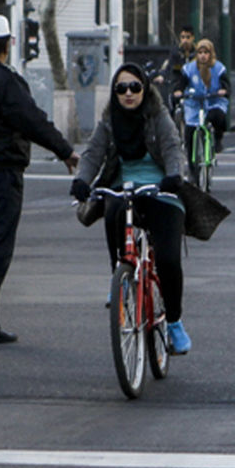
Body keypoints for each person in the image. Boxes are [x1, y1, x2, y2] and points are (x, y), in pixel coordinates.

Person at [0, 14, 79, 348]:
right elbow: (32, 120)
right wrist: (65, 151)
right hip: (4, 170)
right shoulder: (6, 81)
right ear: (9, 44)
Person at [70, 63, 193, 353]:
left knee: (168, 260)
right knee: (112, 210)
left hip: (161, 190)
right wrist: (81, 181)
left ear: (145, 89)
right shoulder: (109, 121)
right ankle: (120, 275)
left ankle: (174, 323)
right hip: (124, 189)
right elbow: (92, 155)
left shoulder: (158, 116)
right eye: (121, 88)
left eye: (135, 87)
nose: (128, 93)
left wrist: (174, 176)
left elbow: (173, 148)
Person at [173, 38, 230, 164]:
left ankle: (217, 139)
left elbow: (226, 84)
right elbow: (181, 83)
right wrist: (178, 91)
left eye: (206, 53)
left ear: (211, 54)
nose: (203, 56)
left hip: (213, 100)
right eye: (200, 53)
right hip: (194, 102)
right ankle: (193, 164)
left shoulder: (218, 68)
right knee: (190, 131)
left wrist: (224, 90)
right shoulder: (189, 69)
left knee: (218, 116)